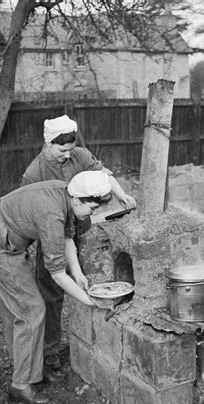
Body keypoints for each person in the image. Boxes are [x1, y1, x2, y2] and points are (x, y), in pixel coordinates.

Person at [0, 171, 112, 404]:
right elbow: (57, 274)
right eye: (92, 208)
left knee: (20, 307)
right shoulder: (52, 214)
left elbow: (67, 238)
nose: (93, 214)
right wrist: (91, 301)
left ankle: (28, 368)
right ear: (78, 200)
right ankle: (20, 386)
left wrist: (78, 274)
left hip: (5, 234)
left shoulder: (66, 193)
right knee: (31, 310)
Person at [20, 115, 136, 379]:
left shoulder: (80, 156)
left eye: (70, 149)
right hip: (51, 237)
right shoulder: (34, 173)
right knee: (52, 294)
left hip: (81, 232)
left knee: (91, 281)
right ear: (48, 143)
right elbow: (29, 214)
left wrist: (121, 196)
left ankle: (91, 337)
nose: (66, 155)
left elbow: (104, 176)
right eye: (62, 150)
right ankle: (50, 351)